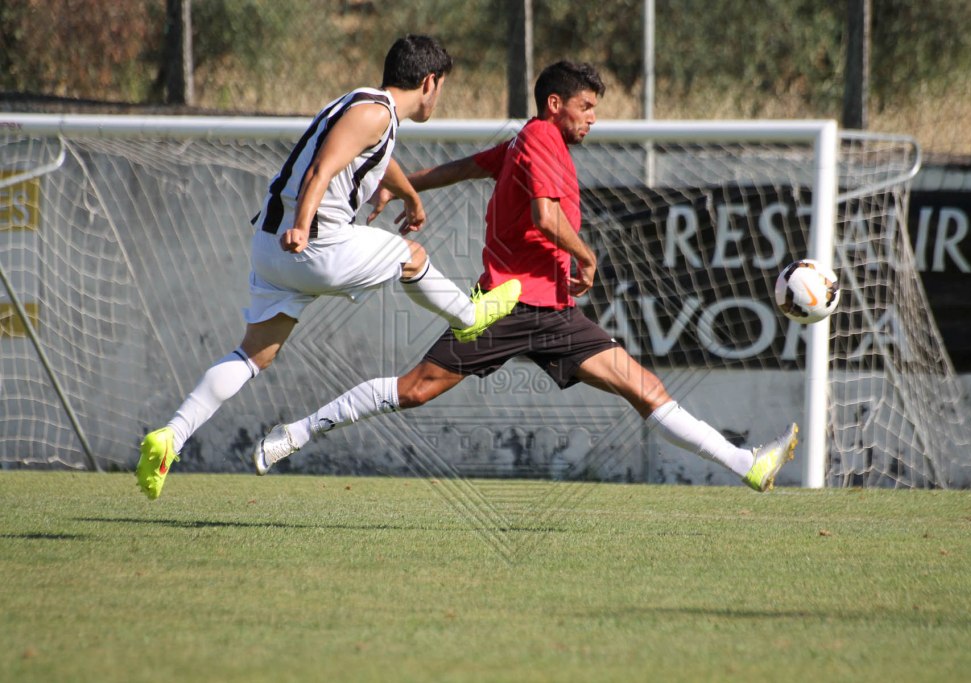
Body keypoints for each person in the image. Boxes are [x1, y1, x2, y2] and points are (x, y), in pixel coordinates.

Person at [252, 60, 798, 492]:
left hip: (554, 312)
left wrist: (402, 185)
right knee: (415, 389)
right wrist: (586, 256)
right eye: (585, 107)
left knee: (644, 387)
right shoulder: (538, 138)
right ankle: (297, 432)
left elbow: (467, 166)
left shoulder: (529, 141)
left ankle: (746, 464)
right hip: (506, 305)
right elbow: (544, 215)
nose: (592, 118)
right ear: (554, 104)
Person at [135, 35, 522, 500]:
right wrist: (302, 226)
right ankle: (469, 318)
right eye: (442, 88)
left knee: (254, 356)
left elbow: (376, 157)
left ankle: (170, 438)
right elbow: (322, 169)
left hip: (271, 249)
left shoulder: (364, 107)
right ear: (429, 82)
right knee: (410, 256)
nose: (439, 97)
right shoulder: (375, 112)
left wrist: (410, 195)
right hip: (311, 243)